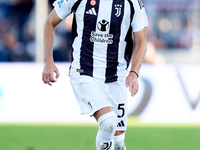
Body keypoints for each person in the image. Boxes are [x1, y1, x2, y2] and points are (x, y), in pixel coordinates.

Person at [42, 0, 148, 149]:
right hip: (85, 72)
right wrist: (48, 61)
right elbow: (50, 22)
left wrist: (134, 72)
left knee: (118, 143)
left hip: (116, 77)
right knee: (108, 122)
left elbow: (142, 41)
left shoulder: (132, 3)